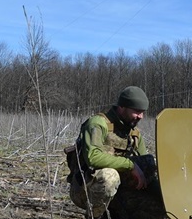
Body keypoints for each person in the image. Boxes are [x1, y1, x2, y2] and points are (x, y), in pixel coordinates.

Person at [67, 86, 166, 219]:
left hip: (120, 191)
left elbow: (145, 172)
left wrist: (163, 196)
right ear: (122, 107)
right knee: (110, 176)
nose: (140, 116)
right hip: (86, 188)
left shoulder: (134, 133)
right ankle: (95, 216)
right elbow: (93, 157)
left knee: (157, 208)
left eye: (143, 112)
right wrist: (130, 165)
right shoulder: (97, 123)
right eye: (137, 111)